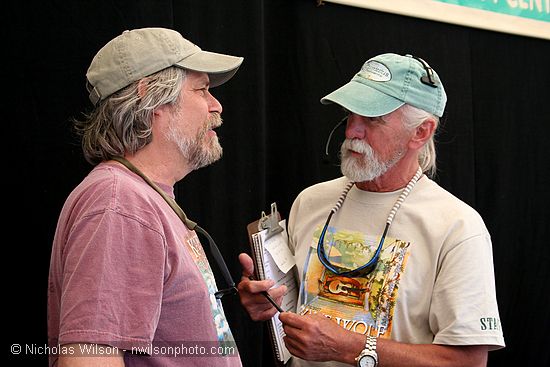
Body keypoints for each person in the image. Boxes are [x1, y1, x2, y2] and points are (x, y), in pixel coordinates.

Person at [238, 53, 505, 367]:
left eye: (373, 119)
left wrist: (350, 347)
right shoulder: (310, 202)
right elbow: (290, 307)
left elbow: (469, 362)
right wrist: (266, 302)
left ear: (421, 132)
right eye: (351, 115)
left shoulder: (457, 227)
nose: (352, 132)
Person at [48, 27, 244, 367]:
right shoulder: (120, 203)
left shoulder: (141, 195)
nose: (216, 105)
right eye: (202, 90)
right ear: (151, 100)